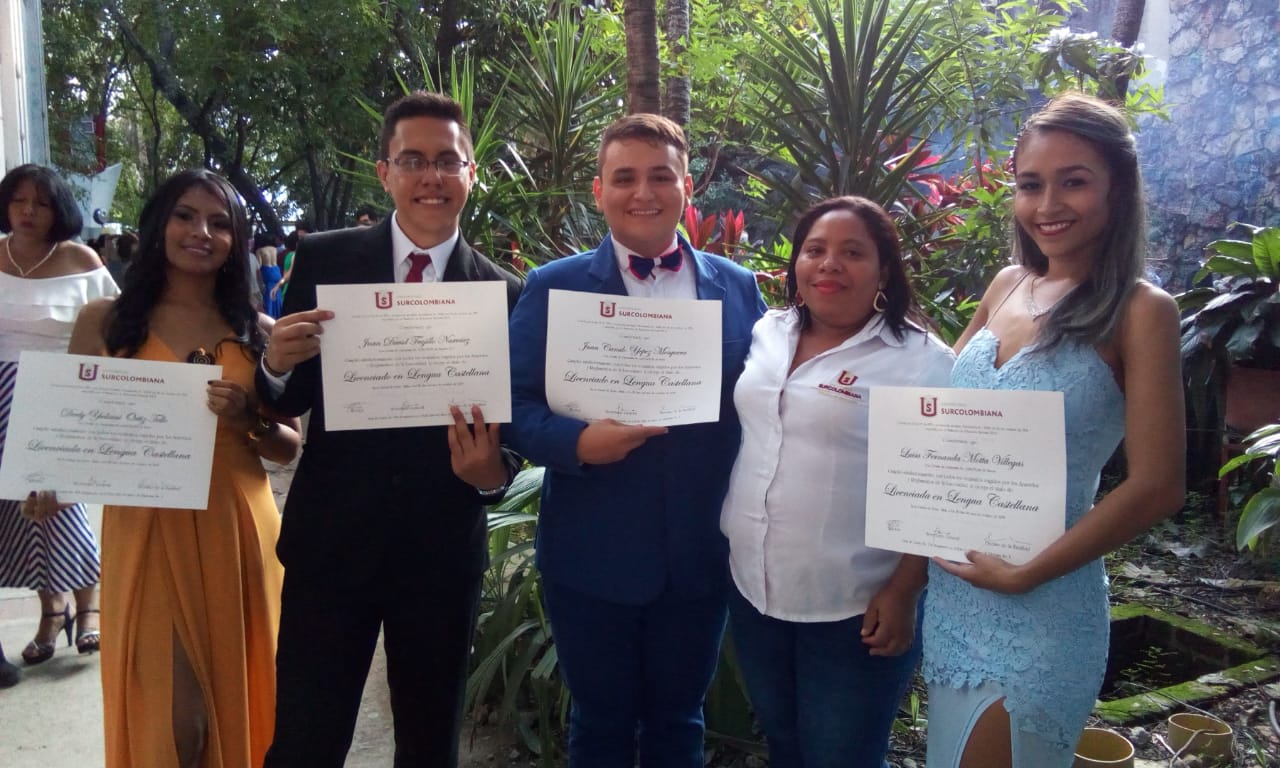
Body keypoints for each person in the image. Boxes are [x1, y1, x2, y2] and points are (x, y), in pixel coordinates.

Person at [257, 91, 524, 768]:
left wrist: (490, 476)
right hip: (332, 550)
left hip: (438, 557)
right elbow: (288, 400)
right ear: (384, 172)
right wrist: (276, 366)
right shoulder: (324, 262)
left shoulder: (507, 295)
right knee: (305, 741)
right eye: (412, 159)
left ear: (471, 172)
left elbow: (512, 442)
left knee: (429, 744)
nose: (430, 176)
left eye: (447, 160)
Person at [922, 93, 1185, 768]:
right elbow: (942, 418)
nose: (1048, 205)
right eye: (1030, 184)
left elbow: (1157, 486)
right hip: (952, 597)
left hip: (1041, 604)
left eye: (1074, 181)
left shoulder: (1141, 310)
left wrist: (1025, 574)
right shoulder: (1007, 283)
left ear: (1116, 189)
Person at [506, 113, 767, 767]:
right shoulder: (553, 286)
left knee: (681, 722)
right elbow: (510, 405)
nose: (642, 193)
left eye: (659, 176)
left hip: (699, 558)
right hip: (591, 558)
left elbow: (768, 404)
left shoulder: (737, 290)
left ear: (687, 187)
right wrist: (575, 444)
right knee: (599, 726)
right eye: (624, 178)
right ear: (600, 190)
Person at [67, 169, 301, 768]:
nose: (202, 232)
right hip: (145, 526)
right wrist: (49, 480)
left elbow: (287, 447)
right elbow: (73, 430)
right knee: (177, 722)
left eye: (220, 223)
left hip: (236, 526)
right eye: (185, 216)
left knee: (238, 697)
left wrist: (249, 417)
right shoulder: (106, 322)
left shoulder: (258, 331)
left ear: (237, 240)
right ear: (157, 225)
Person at [720, 196, 954, 768]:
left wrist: (904, 590)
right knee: (784, 743)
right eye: (815, 250)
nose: (829, 264)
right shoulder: (769, 331)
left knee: (840, 756)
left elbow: (941, 486)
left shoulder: (921, 361)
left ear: (883, 270)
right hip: (754, 589)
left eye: (852, 252)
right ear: (796, 263)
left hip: (855, 606)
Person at [0, 163, 117, 666]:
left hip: (60, 393)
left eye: (41, 203)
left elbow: (119, 322)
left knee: (64, 506)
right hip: (2, 397)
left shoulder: (81, 259)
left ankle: (89, 606)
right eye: (19, 200)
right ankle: (51, 610)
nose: (28, 211)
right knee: (19, 511)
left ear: (58, 209)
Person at [258, 244, 283, 318]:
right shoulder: (274, 249)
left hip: (267, 271)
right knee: (277, 294)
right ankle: (278, 315)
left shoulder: (260, 250)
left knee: (268, 296)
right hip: (276, 270)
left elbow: (258, 265)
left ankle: (270, 316)